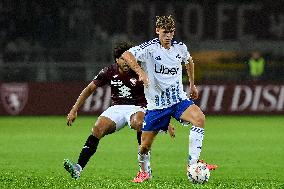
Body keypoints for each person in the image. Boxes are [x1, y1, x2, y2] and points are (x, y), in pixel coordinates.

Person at [122, 15, 218, 183]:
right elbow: (126, 55)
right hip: (157, 106)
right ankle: (144, 172)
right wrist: (141, 72)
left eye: (171, 32)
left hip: (178, 100)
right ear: (157, 31)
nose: (168, 36)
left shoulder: (180, 48)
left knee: (199, 119)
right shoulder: (149, 48)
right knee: (144, 147)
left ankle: (193, 164)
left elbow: (189, 61)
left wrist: (192, 84)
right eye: (165, 32)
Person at [63, 41, 174, 180]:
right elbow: (89, 89)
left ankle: (145, 170)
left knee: (138, 123)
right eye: (123, 58)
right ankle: (78, 168)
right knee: (97, 129)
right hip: (117, 107)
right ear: (117, 60)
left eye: (130, 58)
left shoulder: (141, 71)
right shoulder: (109, 71)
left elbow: (157, 92)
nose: (127, 61)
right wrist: (74, 109)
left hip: (139, 106)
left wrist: (164, 117)